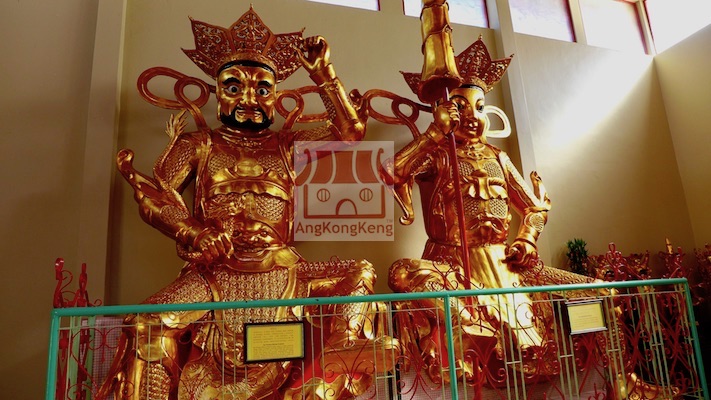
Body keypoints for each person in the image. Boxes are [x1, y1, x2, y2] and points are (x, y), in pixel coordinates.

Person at [98, 7, 396, 400]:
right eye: (235, 87)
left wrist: (324, 75)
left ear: (276, 96)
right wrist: (193, 231)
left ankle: (343, 345)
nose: (249, 98)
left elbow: (349, 132)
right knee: (148, 323)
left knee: (359, 271)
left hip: (281, 267)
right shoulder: (198, 144)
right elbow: (156, 196)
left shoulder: (288, 146)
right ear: (217, 91)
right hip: (215, 270)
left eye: (262, 89)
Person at [385, 35, 552, 383]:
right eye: (460, 107)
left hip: (504, 263)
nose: (472, 116)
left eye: (479, 107)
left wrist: (527, 239)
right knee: (402, 273)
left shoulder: (498, 158)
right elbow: (392, 171)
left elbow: (534, 209)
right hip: (450, 263)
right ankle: (468, 331)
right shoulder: (437, 154)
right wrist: (434, 133)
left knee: (597, 290)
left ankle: (618, 377)